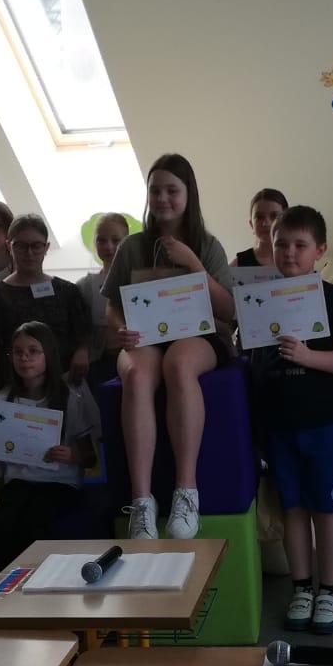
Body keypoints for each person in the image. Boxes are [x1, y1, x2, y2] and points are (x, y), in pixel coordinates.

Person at [102, 153, 236, 540]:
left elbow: (228, 311)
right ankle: (142, 501)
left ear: (189, 194)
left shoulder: (207, 245)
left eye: (171, 190)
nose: (162, 198)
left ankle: (186, 492)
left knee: (179, 364)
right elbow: (112, 305)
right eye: (155, 190)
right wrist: (121, 327)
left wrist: (195, 265)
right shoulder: (132, 246)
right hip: (145, 336)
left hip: (200, 336)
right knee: (138, 374)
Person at [250, 205, 333, 635]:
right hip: (279, 427)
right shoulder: (260, 299)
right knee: (293, 509)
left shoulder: (332, 297)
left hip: (326, 425)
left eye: (300, 245)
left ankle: (329, 592)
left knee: (327, 510)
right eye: (281, 244)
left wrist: (307, 356)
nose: (289, 253)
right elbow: (254, 361)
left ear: (320, 250)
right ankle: (302, 588)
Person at [0, 321, 102, 574]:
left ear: (48, 355)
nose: (25, 358)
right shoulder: (2, 402)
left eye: (33, 351)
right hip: (19, 485)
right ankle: (2, 590)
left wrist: (72, 455)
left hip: (59, 486)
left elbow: (90, 457)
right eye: (18, 352)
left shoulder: (69, 399)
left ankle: (34, 587)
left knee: (34, 526)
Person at [0, 214, 92, 382]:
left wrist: (82, 351)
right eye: (21, 246)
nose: (29, 253)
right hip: (15, 385)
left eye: (36, 246)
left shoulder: (67, 291)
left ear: (46, 248)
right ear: (9, 246)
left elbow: (83, 332)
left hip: (64, 381)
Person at [77, 213, 130, 390]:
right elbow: (80, 329)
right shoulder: (85, 286)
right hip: (97, 364)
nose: (108, 246)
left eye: (116, 240)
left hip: (133, 360)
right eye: (101, 240)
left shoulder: (139, 281)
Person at [233, 188, 288, 269]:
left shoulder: (298, 260)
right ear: (251, 224)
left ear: (287, 222)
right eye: (259, 217)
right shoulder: (237, 265)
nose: (266, 223)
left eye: (274, 216)